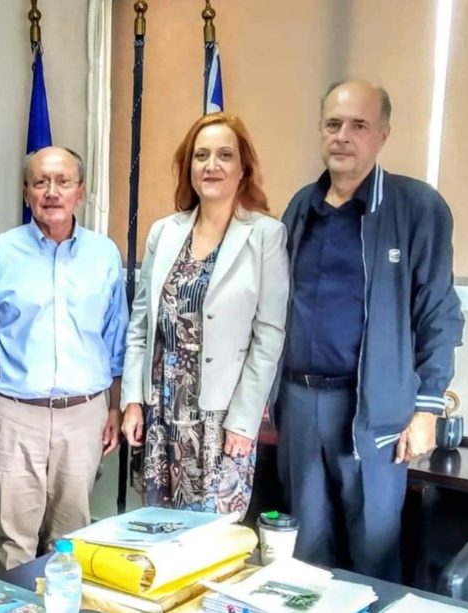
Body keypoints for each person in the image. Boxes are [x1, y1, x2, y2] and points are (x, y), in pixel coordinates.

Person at [274, 79, 464, 580]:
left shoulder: (416, 207)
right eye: (333, 124)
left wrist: (427, 409)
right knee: (304, 555)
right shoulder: (301, 207)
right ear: (320, 131)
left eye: (359, 125)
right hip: (299, 404)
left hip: (373, 411)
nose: (343, 136)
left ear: (382, 134)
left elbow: (439, 312)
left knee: (372, 553)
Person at [120, 112, 289, 515]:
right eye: (201, 156)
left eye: (225, 155)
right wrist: (132, 401)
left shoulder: (265, 235)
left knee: (211, 537)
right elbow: (141, 325)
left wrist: (244, 421)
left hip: (222, 420)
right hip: (161, 413)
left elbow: (269, 336)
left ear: (243, 169)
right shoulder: (164, 232)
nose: (211, 165)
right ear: (189, 167)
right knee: (156, 531)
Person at [0, 146, 129, 573]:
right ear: (27, 193)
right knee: (14, 538)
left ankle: (62, 601)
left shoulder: (104, 255)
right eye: (40, 182)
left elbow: (116, 337)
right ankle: (16, 602)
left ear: (80, 192)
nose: (51, 192)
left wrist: (114, 406)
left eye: (63, 182)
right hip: (14, 411)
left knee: (71, 536)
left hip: (84, 414)